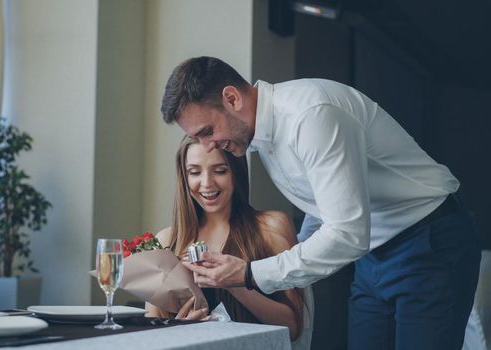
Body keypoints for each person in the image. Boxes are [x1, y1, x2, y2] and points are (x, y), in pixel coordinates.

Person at [161, 56, 481, 350]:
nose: (207, 145)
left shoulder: (311, 116)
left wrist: (250, 274)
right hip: (371, 256)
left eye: (207, 131)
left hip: (428, 240)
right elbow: (324, 209)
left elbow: (346, 232)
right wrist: (282, 258)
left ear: (232, 98)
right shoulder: (262, 137)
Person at [145, 135, 311, 346]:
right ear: (184, 177)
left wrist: (234, 282)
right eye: (194, 172)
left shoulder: (271, 227)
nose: (206, 183)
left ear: (236, 172)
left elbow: (293, 326)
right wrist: (177, 329)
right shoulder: (167, 240)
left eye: (220, 170)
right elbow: (151, 331)